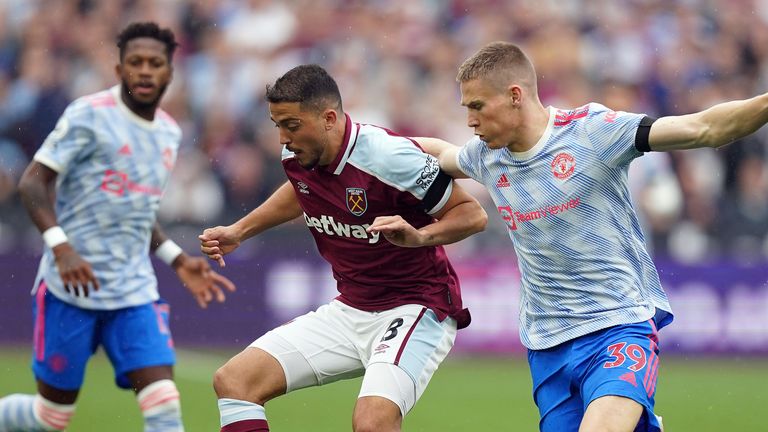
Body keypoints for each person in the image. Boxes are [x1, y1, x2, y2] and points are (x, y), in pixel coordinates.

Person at [416, 41, 768, 432]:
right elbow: (433, 155)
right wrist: (361, 143)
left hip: (618, 326)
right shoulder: (485, 156)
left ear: (515, 96)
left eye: (476, 106)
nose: (469, 120)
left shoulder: (591, 132)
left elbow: (704, 127)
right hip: (547, 345)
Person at [199, 64, 487, 432]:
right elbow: (300, 191)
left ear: (329, 118)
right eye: (278, 126)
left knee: (372, 422)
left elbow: (472, 215)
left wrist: (419, 236)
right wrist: (240, 230)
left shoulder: (387, 157)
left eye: (291, 125)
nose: (283, 139)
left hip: (418, 305)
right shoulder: (299, 154)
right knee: (235, 382)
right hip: (351, 307)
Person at [0, 22, 235, 432]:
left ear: (169, 72)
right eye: (136, 62)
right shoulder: (88, 115)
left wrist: (178, 260)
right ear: (119, 69)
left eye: (155, 63)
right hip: (70, 288)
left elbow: (137, 213)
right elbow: (32, 182)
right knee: (49, 418)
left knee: (164, 405)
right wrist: (61, 247)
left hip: (132, 293)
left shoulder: (168, 133)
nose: (145, 71)